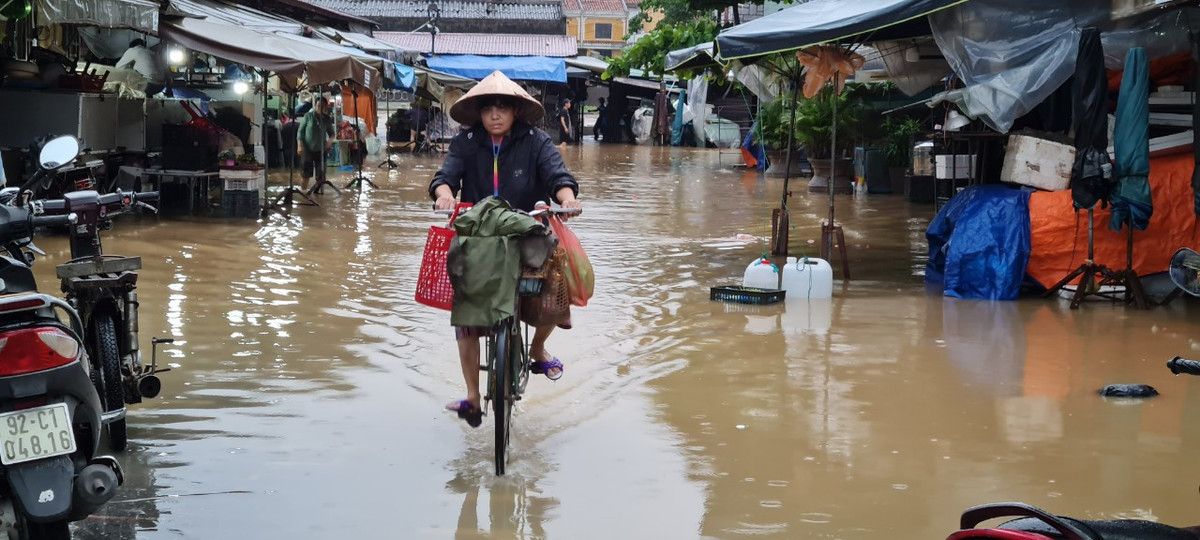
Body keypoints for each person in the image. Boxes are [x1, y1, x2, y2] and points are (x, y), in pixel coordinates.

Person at [429, 70, 582, 427]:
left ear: (515, 111)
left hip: (528, 232)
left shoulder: (536, 141)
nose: (495, 114)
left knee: (558, 289)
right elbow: (444, 178)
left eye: (502, 107)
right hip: (480, 239)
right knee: (464, 314)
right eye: (488, 108)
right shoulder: (466, 141)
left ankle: (537, 348)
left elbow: (558, 176)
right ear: (479, 112)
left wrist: (567, 199)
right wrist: (446, 195)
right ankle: (471, 396)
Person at [297, 97, 335, 194]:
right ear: (315, 106)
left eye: (322, 106)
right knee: (305, 175)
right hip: (307, 150)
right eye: (318, 106)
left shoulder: (327, 119)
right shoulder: (308, 116)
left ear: (325, 107)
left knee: (321, 176)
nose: (319, 108)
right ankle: (304, 193)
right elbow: (300, 133)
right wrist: (299, 146)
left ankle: (318, 194)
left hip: (321, 150)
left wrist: (329, 141)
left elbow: (332, 134)